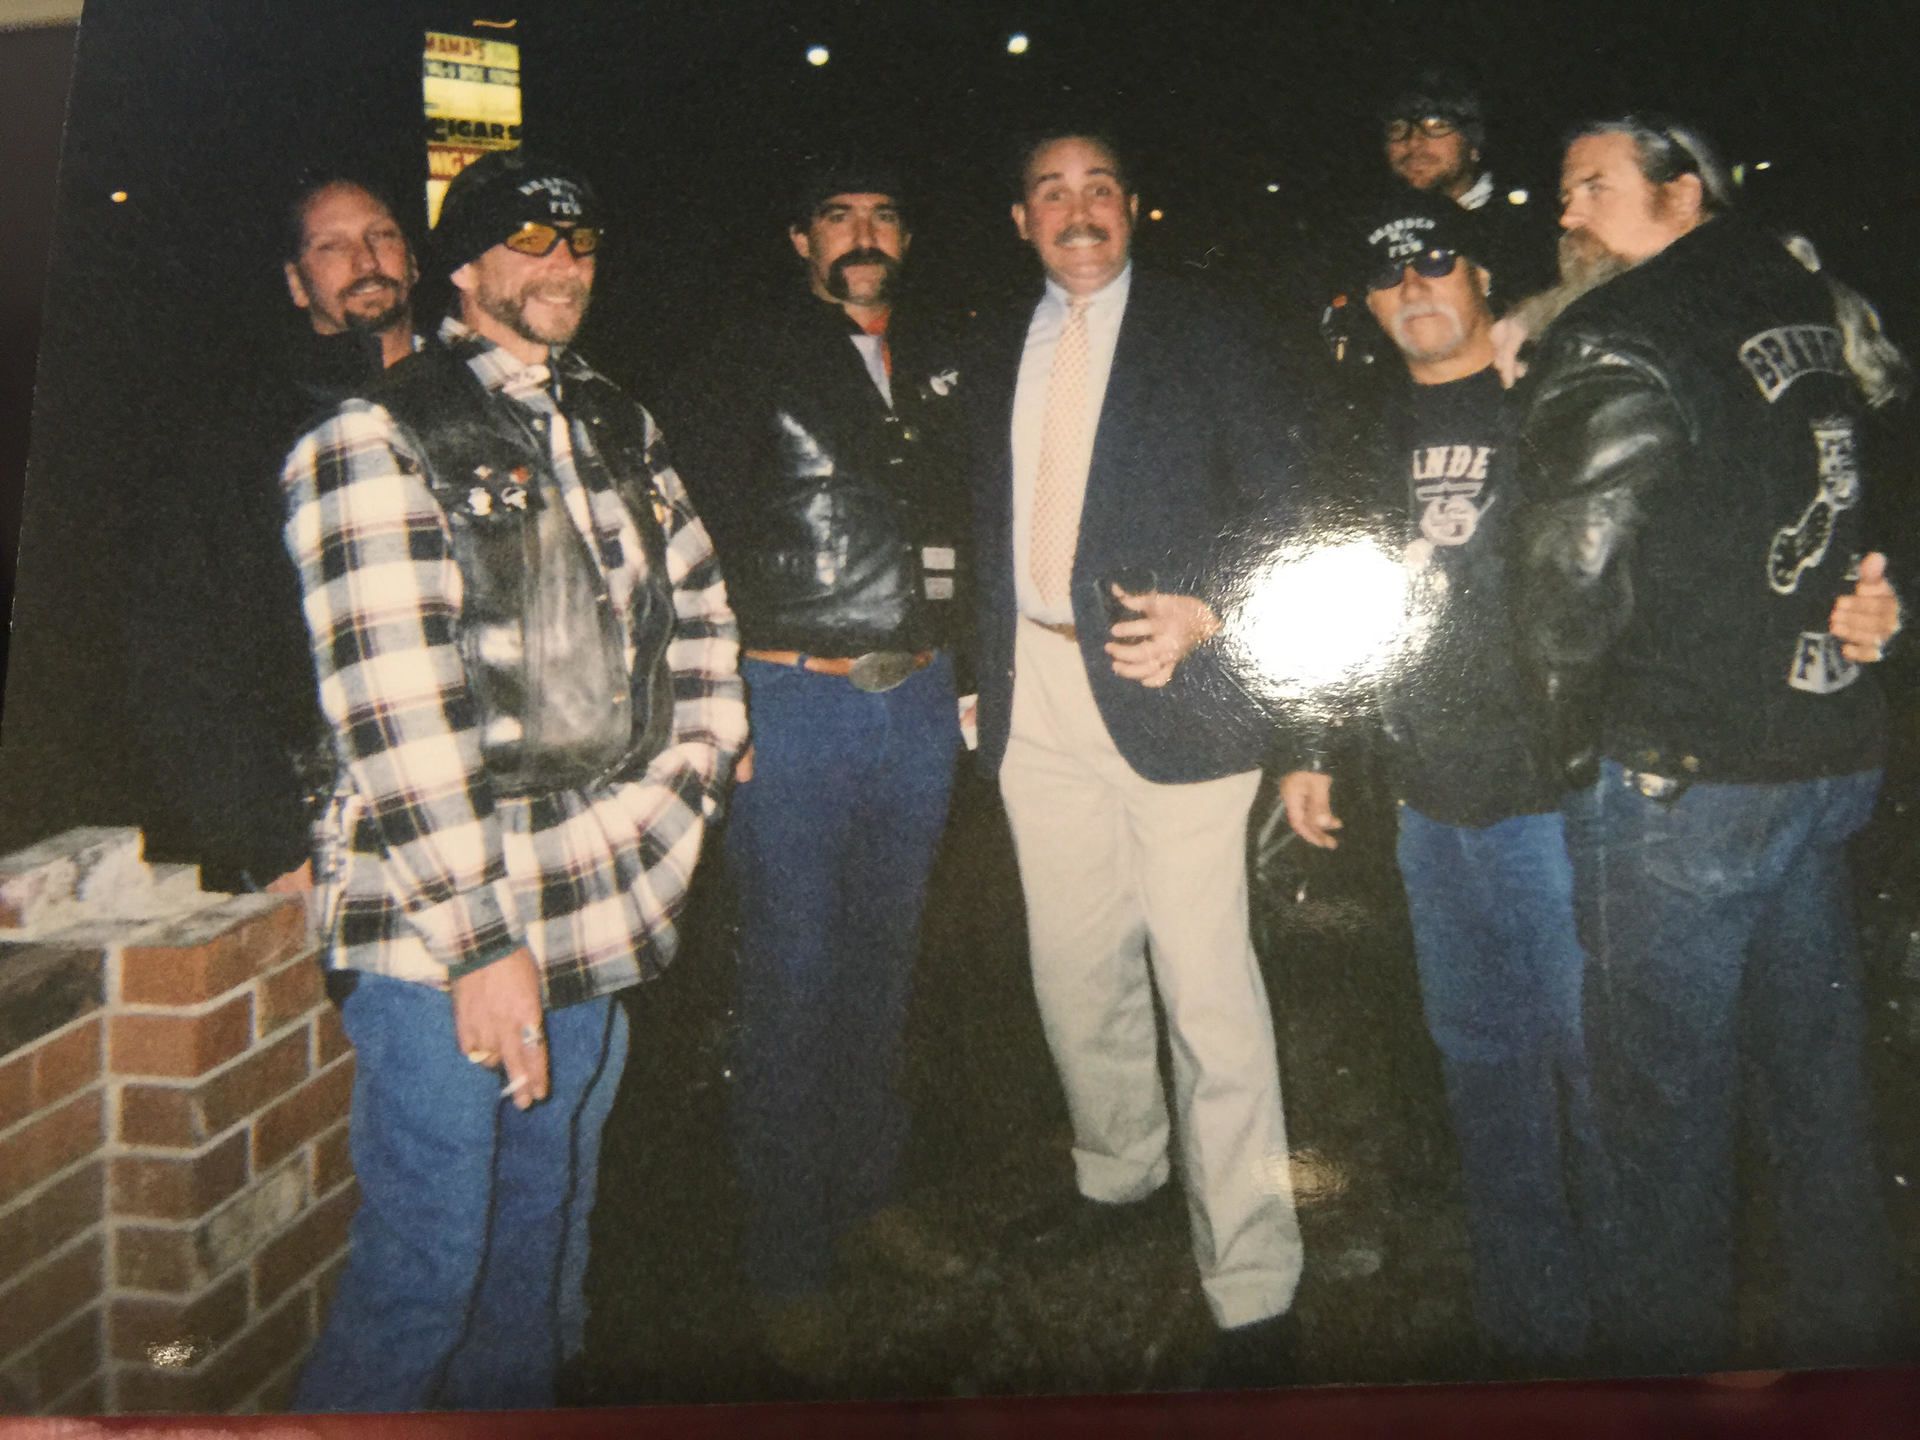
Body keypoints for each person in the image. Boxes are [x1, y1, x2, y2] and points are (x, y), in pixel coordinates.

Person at [285, 150, 747, 1411]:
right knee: (426, 1268)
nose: (565, 268)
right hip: (441, 918)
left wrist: (691, 775)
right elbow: (393, 717)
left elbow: (699, 613)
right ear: (468, 268)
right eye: (532, 245)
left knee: (539, 1239)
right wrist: (481, 941)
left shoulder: (611, 416)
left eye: (581, 244)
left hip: (594, 889)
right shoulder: (374, 436)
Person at [1512, 114, 1908, 1372]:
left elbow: (1570, 577)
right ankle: (1855, 1370)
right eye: (1562, 191)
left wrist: (1572, 752)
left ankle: (1657, 1390)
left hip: (1684, 785)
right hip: (1824, 762)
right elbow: (1869, 502)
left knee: (1657, 1132)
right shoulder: (1814, 309)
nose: (1566, 214)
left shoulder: (1619, 331)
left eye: (1594, 187)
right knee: (1819, 1103)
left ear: (1684, 195)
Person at [969, 128, 1303, 1384]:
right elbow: (982, 519)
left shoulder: (1209, 329)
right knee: (1073, 966)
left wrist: (1209, 610)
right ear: (1022, 222)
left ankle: (1256, 1276)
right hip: (1035, 687)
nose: (1077, 208)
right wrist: (979, 678)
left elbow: (1288, 506)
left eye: (1098, 185)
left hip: (1176, 689)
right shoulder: (1000, 341)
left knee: (1209, 989)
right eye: (1049, 190)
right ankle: (1119, 1175)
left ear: (1134, 207)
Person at [1279, 189, 1597, 1365]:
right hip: (1429, 814)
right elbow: (1328, 598)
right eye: (1389, 272)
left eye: (1436, 262)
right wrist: (1312, 745)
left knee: (1595, 1081)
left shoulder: (1555, 400)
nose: (1414, 284)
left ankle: (1629, 1337)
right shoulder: (1359, 437)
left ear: (1480, 279)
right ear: (1368, 304)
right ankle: (1534, 1338)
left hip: (1556, 807)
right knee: (1484, 1082)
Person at [666, 160, 969, 1380]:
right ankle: (787, 1264)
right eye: (838, 217)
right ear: (800, 238)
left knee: (884, 970)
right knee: (791, 987)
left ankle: (870, 1202)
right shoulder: (744, 359)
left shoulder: (941, 363)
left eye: (884, 215)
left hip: (918, 703)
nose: (863, 237)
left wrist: (977, 676)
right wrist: (713, 707)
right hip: (791, 702)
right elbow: (676, 537)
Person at [126, 173, 421, 895]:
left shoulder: (476, 408)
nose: (365, 259)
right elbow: (178, 650)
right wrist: (267, 837)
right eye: (333, 245)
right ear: (297, 283)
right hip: (334, 832)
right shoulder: (236, 442)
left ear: (413, 261)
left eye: (381, 235)